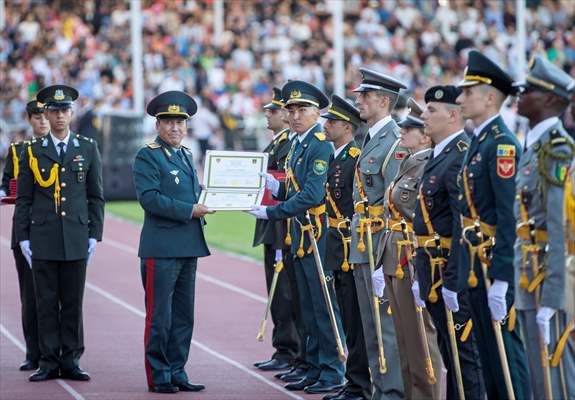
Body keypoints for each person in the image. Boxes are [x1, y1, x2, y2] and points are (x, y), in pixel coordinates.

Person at [249, 80, 345, 395]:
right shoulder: (300, 142)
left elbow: (313, 195)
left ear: (317, 112)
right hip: (300, 235)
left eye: (302, 109)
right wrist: (278, 189)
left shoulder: (317, 142)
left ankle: (331, 370)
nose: (294, 115)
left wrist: (273, 211)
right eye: (291, 109)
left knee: (321, 306)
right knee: (306, 307)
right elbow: (297, 188)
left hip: (316, 235)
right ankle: (315, 366)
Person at [14, 85, 104, 382]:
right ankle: (48, 360)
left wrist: (95, 234)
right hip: (43, 236)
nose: (60, 116)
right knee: (46, 302)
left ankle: (71, 359)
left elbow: (95, 196)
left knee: (73, 302)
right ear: (47, 115)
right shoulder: (32, 151)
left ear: (71, 114)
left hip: (77, 235)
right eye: (55, 112)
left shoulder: (87, 148)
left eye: (65, 111)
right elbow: (25, 198)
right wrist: (23, 236)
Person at [456, 50, 531, 399]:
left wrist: (503, 278)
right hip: (475, 265)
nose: (460, 98)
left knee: (507, 362)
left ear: (489, 97)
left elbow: (508, 217)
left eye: (468, 92)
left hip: (492, 266)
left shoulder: (501, 145)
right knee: (487, 357)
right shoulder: (480, 142)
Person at [133, 90, 214, 394]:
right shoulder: (148, 155)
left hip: (189, 244)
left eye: (180, 122)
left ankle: (178, 369)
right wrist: (190, 210)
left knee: (183, 316)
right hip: (161, 247)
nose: (175, 128)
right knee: (160, 316)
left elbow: (193, 193)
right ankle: (159, 374)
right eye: (168, 122)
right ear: (158, 124)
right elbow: (150, 199)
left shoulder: (185, 155)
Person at [414, 85, 486, 399]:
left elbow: (461, 226)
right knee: (450, 353)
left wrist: (455, 282)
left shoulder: (458, 156)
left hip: (450, 272)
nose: (424, 116)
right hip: (433, 270)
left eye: (431, 111)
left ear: (453, 116)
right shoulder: (439, 154)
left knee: (465, 357)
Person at [513, 55, 575, 399]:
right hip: (528, 268)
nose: (520, 95)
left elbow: (557, 227)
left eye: (530, 90)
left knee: (556, 372)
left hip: (547, 274)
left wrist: (552, 296)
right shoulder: (535, 145)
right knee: (538, 373)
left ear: (550, 99)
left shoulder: (555, 150)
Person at [377, 98, 443, 399]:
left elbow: (412, 211)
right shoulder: (408, 162)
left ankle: (426, 394)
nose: (402, 131)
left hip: (412, 257)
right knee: (403, 337)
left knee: (419, 337)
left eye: (410, 128)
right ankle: (409, 393)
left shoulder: (426, 164)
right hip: (395, 254)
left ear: (426, 136)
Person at [349, 67, 405, 399]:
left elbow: (394, 203)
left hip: (379, 244)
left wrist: (385, 254)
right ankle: (378, 389)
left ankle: (392, 391)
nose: (360, 101)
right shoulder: (370, 137)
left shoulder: (394, 142)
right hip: (362, 242)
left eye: (365, 96)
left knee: (386, 328)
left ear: (383, 101)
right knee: (371, 327)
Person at [321, 95, 371, 400]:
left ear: (348, 127)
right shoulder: (336, 156)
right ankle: (352, 381)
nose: (326, 126)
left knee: (355, 319)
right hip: (338, 247)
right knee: (348, 319)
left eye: (332, 122)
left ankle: (359, 385)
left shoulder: (353, 157)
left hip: (351, 246)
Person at [252, 87, 302, 372]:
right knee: (279, 291)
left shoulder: (287, 145)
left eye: (273, 110)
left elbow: (285, 185)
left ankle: (290, 351)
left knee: (285, 293)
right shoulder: (277, 143)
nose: (267, 114)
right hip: (272, 224)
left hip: (283, 225)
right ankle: (284, 348)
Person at [0, 100, 49, 371]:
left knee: (57, 296)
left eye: (46, 116)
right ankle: (33, 352)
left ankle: (58, 352)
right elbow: (7, 184)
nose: (42, 122)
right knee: (29, 296)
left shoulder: (62, 150)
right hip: (25, 229)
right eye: (37, 117)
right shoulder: (18, 150)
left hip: (53, 230)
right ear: (29, 120)